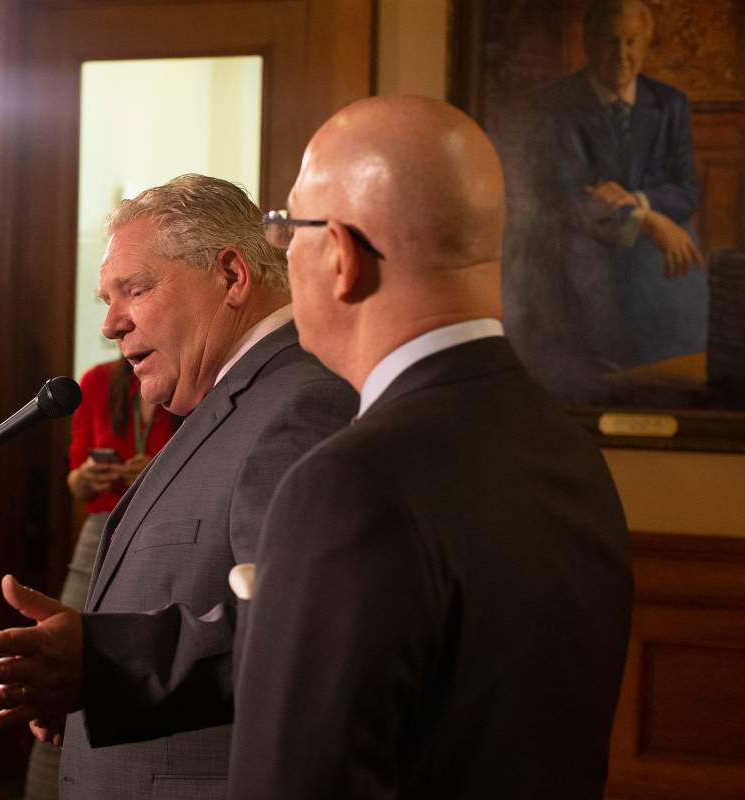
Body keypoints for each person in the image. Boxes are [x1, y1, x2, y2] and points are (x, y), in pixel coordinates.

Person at [227, 96, 633, 799]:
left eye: (290, 225)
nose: (283, 247)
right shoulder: (573, 454)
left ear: (343, 259)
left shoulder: (348, 487)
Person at [0, 174, 357, 799]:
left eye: (132, 291)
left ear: (232, 275)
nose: (111, 325)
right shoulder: (228, 402)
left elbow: (301, 633)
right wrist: (85, 679)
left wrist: (103, 662)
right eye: (104, 300)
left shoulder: (299, 405)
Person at [509, 0, 706, 400]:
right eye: (610, 42)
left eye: (632, 42)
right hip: (585, 245)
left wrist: (635, 201)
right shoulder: (557, 104)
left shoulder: (670, 103)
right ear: (588, 43)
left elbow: (687, 191)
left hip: (658, 248)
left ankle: (672, 390)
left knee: (681, 331)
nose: (622, 55)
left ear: (646, 44)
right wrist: (650, 220)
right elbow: (573, 197)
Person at [23, 356, 180, 800]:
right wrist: (88, 476)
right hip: (100, 529)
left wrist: (155, 472)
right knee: (60, 658)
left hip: (163, 527)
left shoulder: (189, 380)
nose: (116, 324)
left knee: (135, 661)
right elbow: (74, 481)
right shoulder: (96, 381)